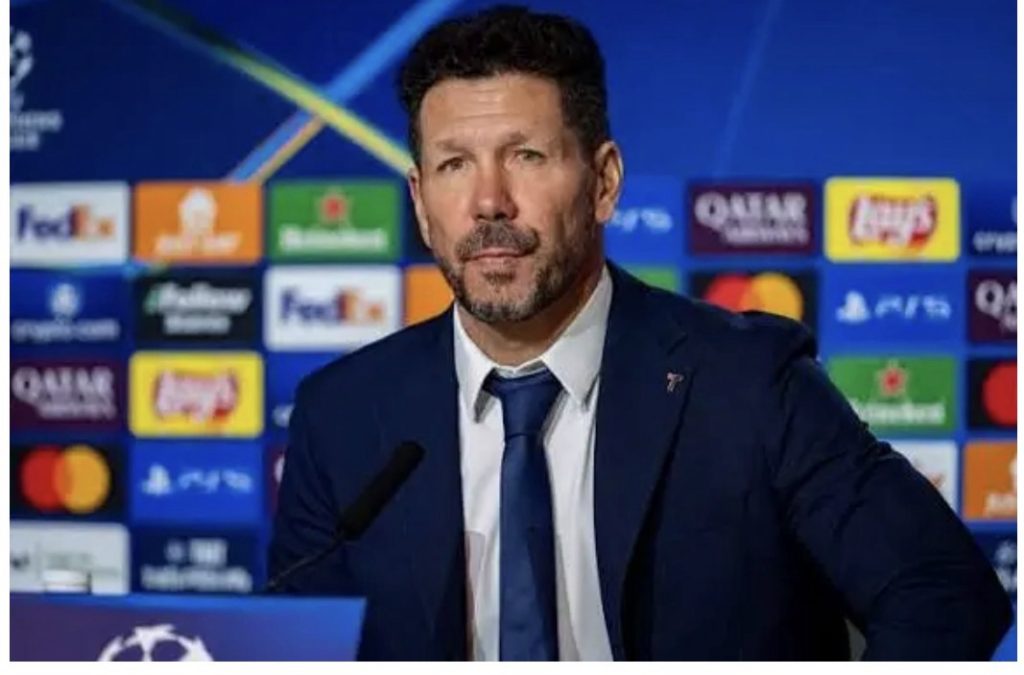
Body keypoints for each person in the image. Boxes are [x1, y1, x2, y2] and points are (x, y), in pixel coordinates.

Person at [268, 5, 1012, 661]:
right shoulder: (343, 416)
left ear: (605, 183)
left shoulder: (747, 382)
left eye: (526, 156)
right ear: (421, 201)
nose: (489, 201)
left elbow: (942, 591)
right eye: (454, 164)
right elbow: (297, 648)